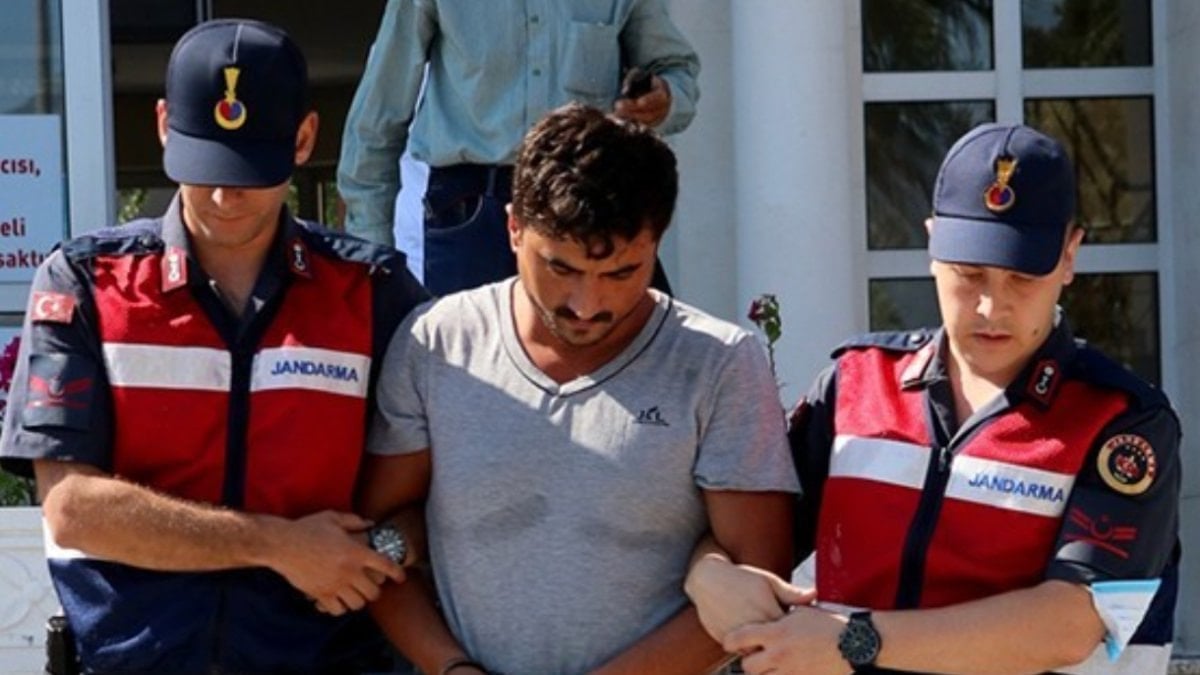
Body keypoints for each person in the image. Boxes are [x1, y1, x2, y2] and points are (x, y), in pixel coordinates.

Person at [0, 19, 428, 673]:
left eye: (251, 170)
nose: (226, 195)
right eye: (205, 167)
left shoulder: (373, 292)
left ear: (305, 138)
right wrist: (278, 545)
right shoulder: (86, 282)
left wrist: (378, 549)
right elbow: (73, 509)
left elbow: (445, 491)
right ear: (164, 126)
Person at [685, 123, 1181, 674]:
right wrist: (707, 572)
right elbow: (750, 531)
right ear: (931, 244)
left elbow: (1068, 624)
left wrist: (853, 642)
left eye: (1022, 278)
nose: (990, 306)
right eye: (969, 274)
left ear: (1069, 256)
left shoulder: (1122, 421)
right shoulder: (854, 383)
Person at [356, 103, 798, 675]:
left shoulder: (721, 364)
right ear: (513, 228)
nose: (587, 305)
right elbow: (377, 549)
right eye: (561, 268)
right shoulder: (435, 342)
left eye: (621, 273)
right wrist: (451, 668)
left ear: (657, 243)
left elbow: (755, 584)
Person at [337, 0, 700, 296]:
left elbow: (674, 69)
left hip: (593, 198)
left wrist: (664, 100)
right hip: (474, 211)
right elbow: (377, 122)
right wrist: (374, 254)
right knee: (471, 358)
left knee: (635, 357)